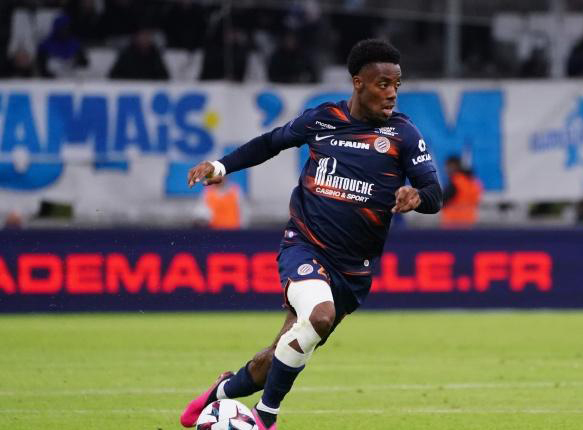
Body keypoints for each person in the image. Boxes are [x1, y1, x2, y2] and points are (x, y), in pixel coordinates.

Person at [180, 39, 442, 430]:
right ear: (358, 83)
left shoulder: (403, 135)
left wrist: (416, 196)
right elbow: (271, 142)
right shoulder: (324, 119)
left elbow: (434, 194)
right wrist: (222, 166)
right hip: (304, 246)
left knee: (276, 357)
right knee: (320, 315)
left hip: (352, 271)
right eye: (383, 84)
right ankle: (265, 418)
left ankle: (215, 395)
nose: (391, 94)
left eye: (396, 86)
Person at [440, 155, 482, 227]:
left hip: (453, 223)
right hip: (470, 222)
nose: (445, 170)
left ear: (453, 166)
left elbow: (441, 201)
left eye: (447, 167)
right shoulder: (474, 182)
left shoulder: (455, 182)